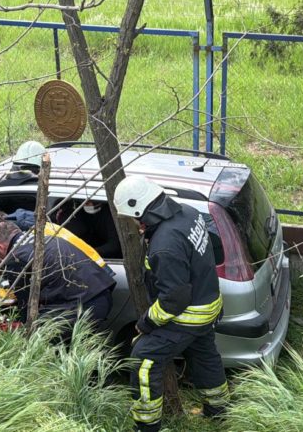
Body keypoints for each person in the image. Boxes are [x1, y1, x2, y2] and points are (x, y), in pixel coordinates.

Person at [112, 175, 227, 432]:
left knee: (144, 358)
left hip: (188, 314)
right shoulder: (188, 213)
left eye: (132, 217)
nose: (133, 224)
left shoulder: (165, 245)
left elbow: (173, 300)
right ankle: (218, 410)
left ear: (141, 211)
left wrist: (147, 323)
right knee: (205, 356)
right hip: (208, 302)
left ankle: (146, 426)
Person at [0, 219, 115, 329]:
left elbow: (25, 307)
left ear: (0, 247)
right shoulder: (48, 238)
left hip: (81, 307)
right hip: (103, 296)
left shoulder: (16, 258)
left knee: (37, 333)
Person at [55, 199, 121, 258]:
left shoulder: (110, 214)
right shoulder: (75, 211)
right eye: (85, 202)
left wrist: (88, 252)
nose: (86, 204)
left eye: (89, 202)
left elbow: (114, 245)